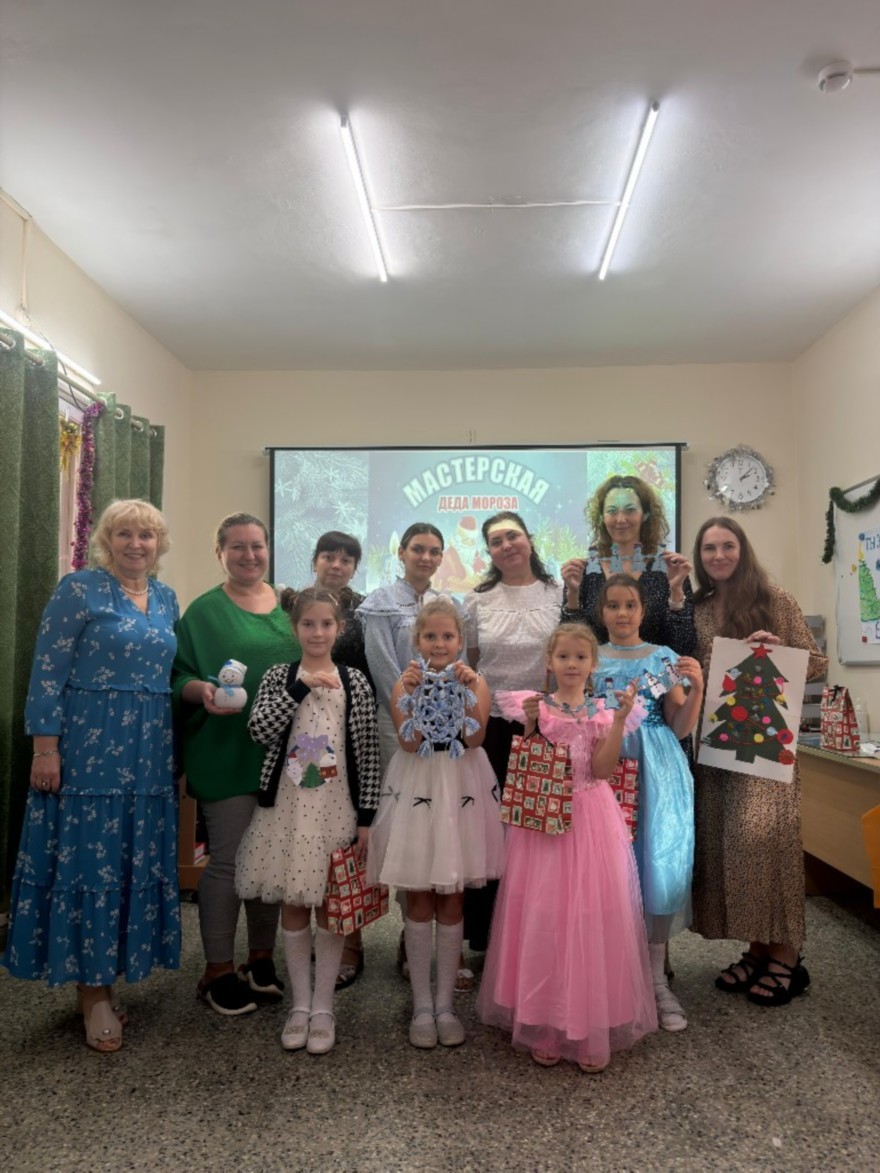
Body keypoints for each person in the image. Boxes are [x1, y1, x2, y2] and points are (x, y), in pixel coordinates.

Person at [3, 499, 180, 1052]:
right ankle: (93, 993)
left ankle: (110, 972)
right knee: (90, 863)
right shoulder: (79, 590)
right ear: (106, 541)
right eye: (124, 533)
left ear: (159, 544)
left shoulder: (167, 598)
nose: (135, 544)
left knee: (128, 861)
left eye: (146, 535)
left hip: (148, 754)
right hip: (89, 751)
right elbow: (47, 671)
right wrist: (45, 749)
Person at [477, 623, 656, 1072]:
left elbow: (602, 770)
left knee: (591, 916)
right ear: (549, 662)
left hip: (591, 818)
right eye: (563, 657)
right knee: (545, 915)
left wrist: (618, 724)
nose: (571, 664)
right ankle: (545, 1022)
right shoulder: (535, 707)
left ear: (593, 664)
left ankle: (591, 1022)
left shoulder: (603, 711)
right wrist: (532, 725)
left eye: (580, 657)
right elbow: (528, 764)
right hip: (544, 822)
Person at [235, 588, 380, 1054]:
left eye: (326, 624)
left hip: (337, 810)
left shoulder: (355, 682)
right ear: (295, 628)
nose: (318, 633)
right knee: (294, 904)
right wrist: (300, 688)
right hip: (288, 811)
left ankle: (323, 1007)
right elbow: (259, 730)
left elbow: (367, 753)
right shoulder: (279, 677)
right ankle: (300, 1005)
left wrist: (367, 817)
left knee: (332, 907)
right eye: (308, 624)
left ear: (340, 629)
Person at [691, 518, 827, 1005]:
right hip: (717, 746)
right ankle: (756, 949)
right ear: (700, 556)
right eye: (709, 548)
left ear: (742, 549)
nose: (719, 555)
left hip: (767, 746)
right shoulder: (699, 609)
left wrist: (779, 652)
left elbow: (816, 663)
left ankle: (786, 956)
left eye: (727, 545)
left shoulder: (775, 599)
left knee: (767, 844)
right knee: (732, 849)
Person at [172, 513, 299, 1016]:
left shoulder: (289, 607)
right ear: (219, 552)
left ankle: (260, 960)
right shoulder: (204, 613)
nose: (249, 555)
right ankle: (217, 969)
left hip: (286, 757)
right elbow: (176, 675)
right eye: (238, 547)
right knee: (228, 861)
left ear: (269, 549)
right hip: (227, 753)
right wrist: (201, 690)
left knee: (270, 860)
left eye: (257, 545)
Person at [367, 599, 505, 1049]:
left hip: (461, 787)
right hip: (420, 787)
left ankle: (445, 1004)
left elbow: (475, 737)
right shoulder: (405, 682)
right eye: (431, 636)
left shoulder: (475, 680)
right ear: (418, 640)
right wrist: (410, 694)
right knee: (419, 897)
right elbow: (409, 742)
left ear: (460, 641)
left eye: (447, 636)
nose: (439, 644)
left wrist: (468, 691)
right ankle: (421, 1004)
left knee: (453, 898)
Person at [595, 574, 704, 1031]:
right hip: (604, 764)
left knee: (654, 863)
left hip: (656, 768)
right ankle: (609, 976)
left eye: (630, 605)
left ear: (643, 610)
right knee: (607, 865)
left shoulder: (662, 657)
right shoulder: (590, 655)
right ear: (601, 611)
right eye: (613, 605)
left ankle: (656, 980)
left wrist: (697, 690)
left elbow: (678, 725)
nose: (622, 613)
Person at [461, 511, 563, 959]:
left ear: (529, 539)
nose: (506, 545)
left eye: (513, 536)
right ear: (489, 551)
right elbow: (474, 663)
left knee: (540, 831)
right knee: (492, 830)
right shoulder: (476, 601)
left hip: (548, 726)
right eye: (496, 540)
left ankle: (538, 935)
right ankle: (487, 936)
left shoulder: (559, 594)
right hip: (493, 729)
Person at [305, 530, 372, 990]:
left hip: (348, 734)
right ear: (315, 559)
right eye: (329, 555)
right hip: (303, 736)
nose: (337, 564)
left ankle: (350, 941)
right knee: (309, 833)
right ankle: (313, 931)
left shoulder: (364, 611)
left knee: (347, 840)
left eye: (347, 559)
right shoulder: (295, 604)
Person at [561, 474, 695, 653]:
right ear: (601, 517)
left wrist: (676, 592)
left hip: (656, 671)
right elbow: (569, 646)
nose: (620, 519)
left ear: (645, 514)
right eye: (612, 511)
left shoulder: (669, 570)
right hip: (598, 671)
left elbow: (684, 647)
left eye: (630, 510)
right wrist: (572, 594)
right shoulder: (584, 573)